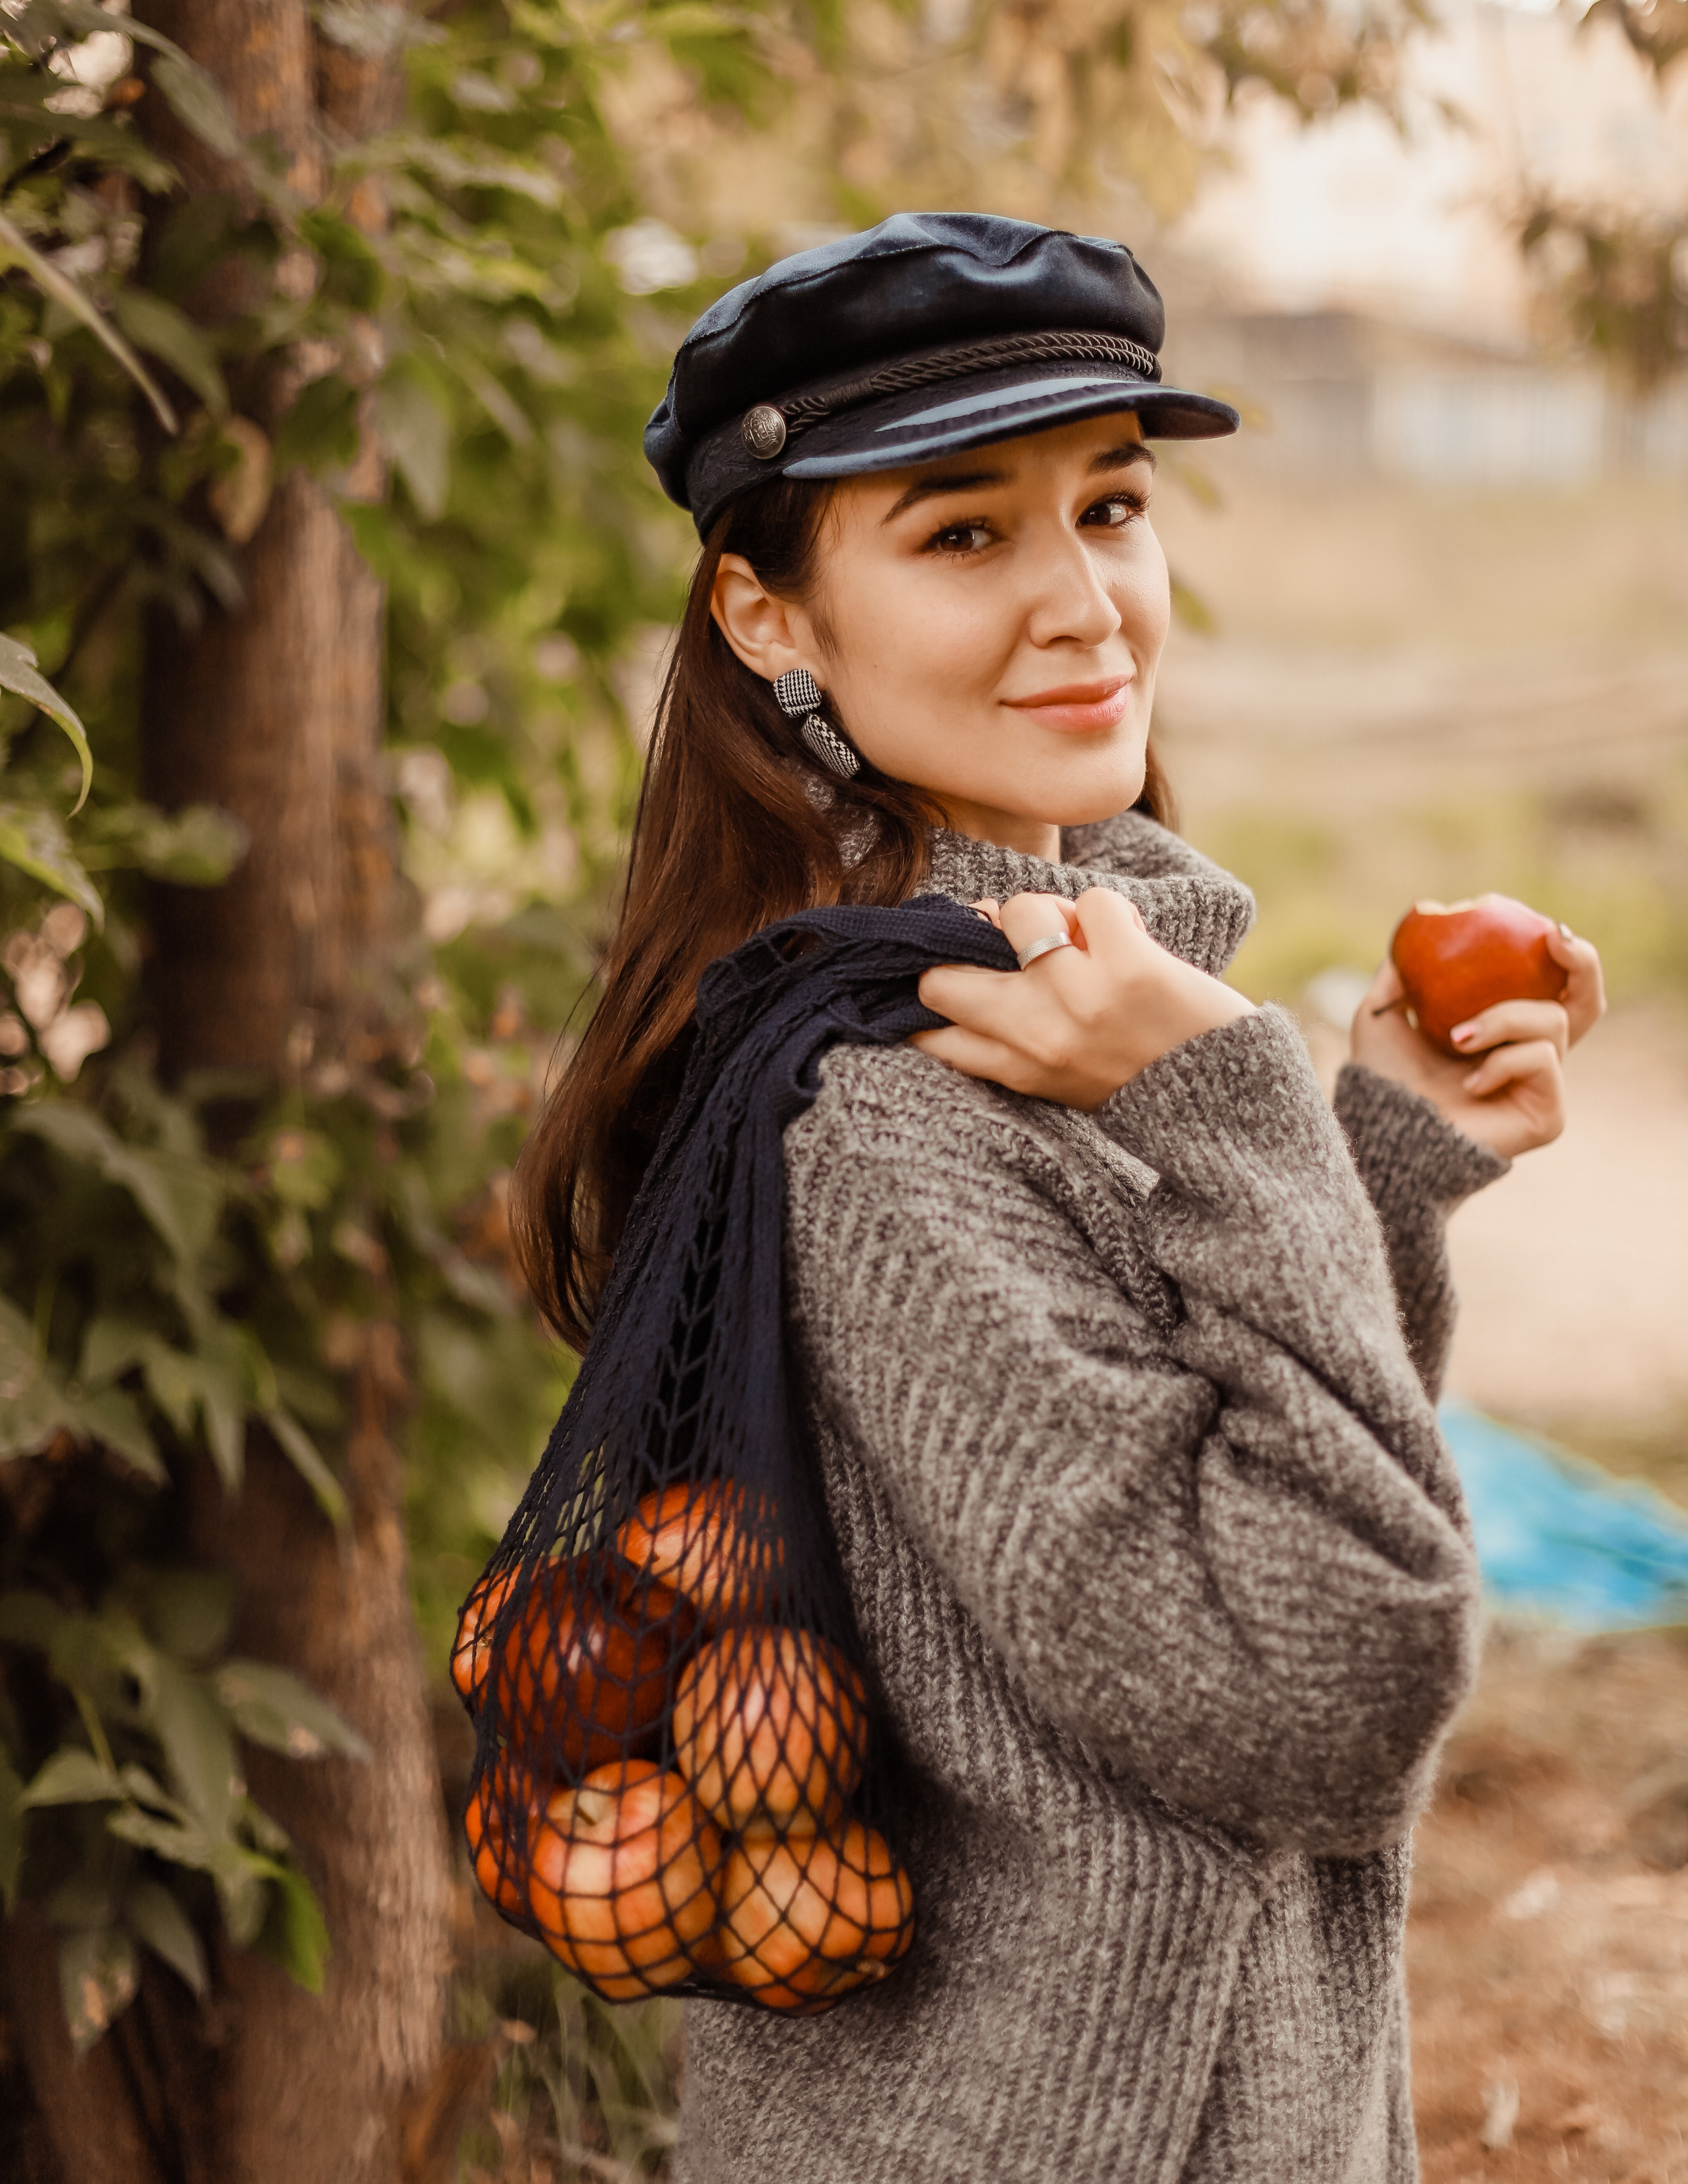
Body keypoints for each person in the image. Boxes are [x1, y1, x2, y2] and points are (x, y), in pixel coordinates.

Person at [512, 213, 1606, 2183]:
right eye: (961, 534)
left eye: (1111, 506)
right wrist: (1245, 1109)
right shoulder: (888, 1116)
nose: (1085, 600)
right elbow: (1332, 1689)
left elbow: (1258, 1475)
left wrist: (1376, 1159)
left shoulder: (1054, 984)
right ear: (768, 617)